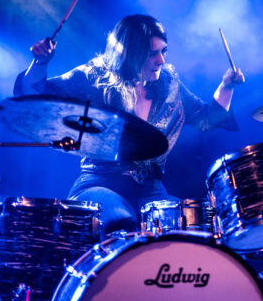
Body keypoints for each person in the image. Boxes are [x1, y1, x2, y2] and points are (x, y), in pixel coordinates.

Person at [14, 14, 245, 234]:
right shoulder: (94, 76)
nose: (161, 60)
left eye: (163, 51)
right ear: (131, 53)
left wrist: (226, 86)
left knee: (192, 225)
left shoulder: (169, 83)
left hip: (151, 190)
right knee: (119, 219)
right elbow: (36, 93)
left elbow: (206, 119)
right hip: (100, 182)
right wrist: (40, 62)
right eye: (152, 53)